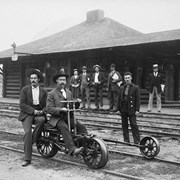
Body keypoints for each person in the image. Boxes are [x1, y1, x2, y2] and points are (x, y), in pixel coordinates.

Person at [46, 69, 87, 156]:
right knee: (64, 128)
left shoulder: (69, 93)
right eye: (60, 80)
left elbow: (72, 106)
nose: (62, 82)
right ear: (56, 81)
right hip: (57, 119)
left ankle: (85, 145)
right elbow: (49, 109)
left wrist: (77, 103)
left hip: (68, 117)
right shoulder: (51, 94)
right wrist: (60, 110)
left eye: (64, 80)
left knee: (80, 126)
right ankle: (73, 149)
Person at [18, 69, 47, 167]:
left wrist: (42, 111)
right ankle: (27, 159)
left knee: (42, 120)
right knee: (27, 132)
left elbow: (47, 105)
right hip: (27, 113)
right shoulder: (25, 89)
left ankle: (31, 141)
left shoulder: (43, 91)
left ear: (38, 79)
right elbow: (22, 104)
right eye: (31, 78)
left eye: (35, 78)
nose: (33, 80)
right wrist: (33, 111)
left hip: (39, 113)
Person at [117, 72, 140, 144]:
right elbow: (119, 99)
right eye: (126, 78)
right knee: (124, 125)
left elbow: (138, 99)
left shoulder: (135, 88)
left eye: (128, 78)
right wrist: (118, 109)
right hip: (123, 107)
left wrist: (137, 110)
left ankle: (137, 141)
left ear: (131, 78)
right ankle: (126, 140)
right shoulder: (122, 88)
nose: (127, 79)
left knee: (134, 124)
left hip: (131, 108)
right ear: (124, 79)